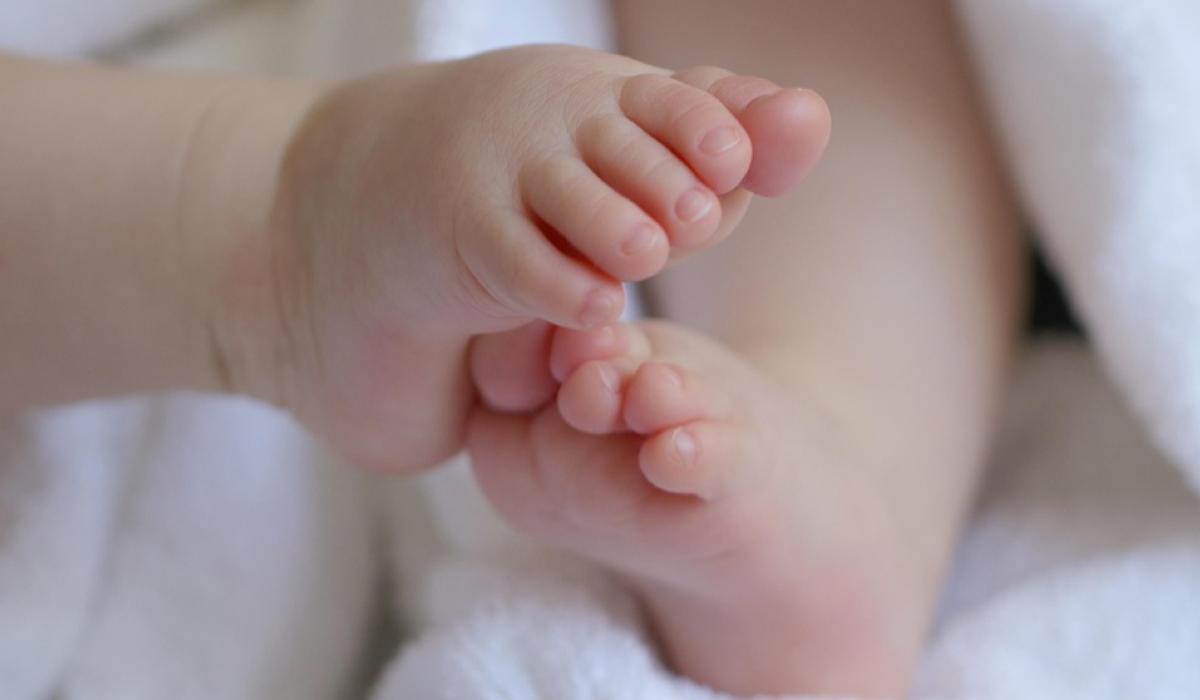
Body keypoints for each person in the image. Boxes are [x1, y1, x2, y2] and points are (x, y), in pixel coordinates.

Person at [0, 1, 1019, 696]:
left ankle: (848, 445)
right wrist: (283, 196)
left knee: (833, 44)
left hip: (560, 80)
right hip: (104, 173)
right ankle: (276, 239)